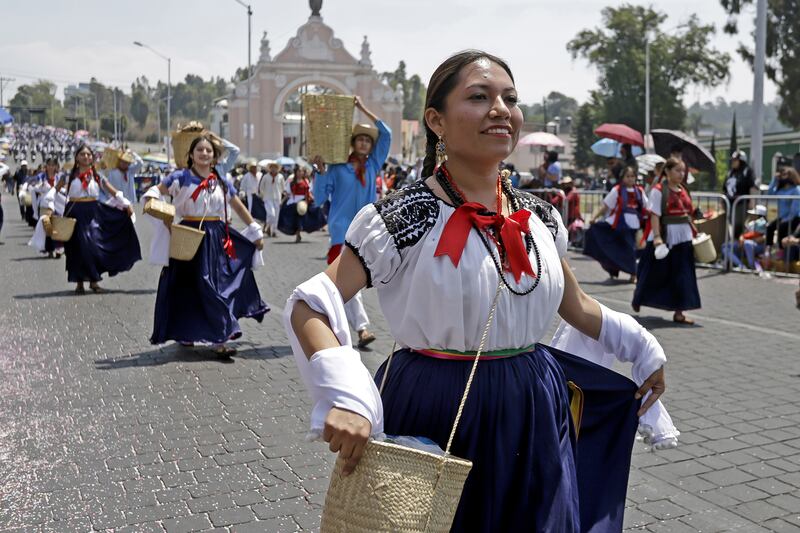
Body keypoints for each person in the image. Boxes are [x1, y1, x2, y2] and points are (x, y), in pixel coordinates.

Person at [284, 50, 668, 532]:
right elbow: (310, 305)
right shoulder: (404, 216)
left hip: (533, 408)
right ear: (436, 120)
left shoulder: (540, 216)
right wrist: (347, 394)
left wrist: (642, 348)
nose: (500, 109)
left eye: (509, 98)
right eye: (479, 97)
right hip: (434, 405)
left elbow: (577, 305)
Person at [145, 134, 268, 356]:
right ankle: (188, 331)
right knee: (187, 288)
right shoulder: (180, 177)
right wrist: (154, 204)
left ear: (214, 156)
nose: (204, 153)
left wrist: (254, 229)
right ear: (191, 155)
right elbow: (156, 192)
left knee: (215, 288)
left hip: (216, 239)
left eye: (208, 150)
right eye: (200, 150)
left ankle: (220, 338)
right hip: (187, 237)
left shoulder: (220, 181)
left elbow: (238, 207)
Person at [311, 96, 391, 349]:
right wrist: (321, 171)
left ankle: (329, 320)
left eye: (368, 140)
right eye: (360, 139)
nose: (365, 143)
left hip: (367, 230)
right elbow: (320, 198)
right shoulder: (337, 167)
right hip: (340, 231)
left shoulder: (374, 165)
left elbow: (386, 133)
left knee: (347, 282)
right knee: (347, 279)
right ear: (353, 143)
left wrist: (362, 108)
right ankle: (362, 328)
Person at [53, 145, 141, 294]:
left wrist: (125, 204)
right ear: (77, 157)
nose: (86, 157)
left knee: (93, 245)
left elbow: (112, 191)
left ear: (92, 158)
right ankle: (79, 282)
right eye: (82, 154)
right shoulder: (68, 176)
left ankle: (94, 281)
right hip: (75, 213)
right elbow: (54, 191)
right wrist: (54, 207)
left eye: (88, 154)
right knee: (77, 248)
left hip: (94, 212)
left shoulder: (97, 176)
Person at [633, 157, 701, 324]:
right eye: (677, 170)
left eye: (683, 171)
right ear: (668, 171)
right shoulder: (658, 191)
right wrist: (657, 237)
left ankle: (679, 312)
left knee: (683, 275)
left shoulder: (683, 190)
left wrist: (695, 222)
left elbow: (688, 212)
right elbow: (655, 215)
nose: (681, 174)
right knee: (650, 272)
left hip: (683, 238)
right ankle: (639, 298)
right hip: (664, 237)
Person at [585, 166, 650, 282]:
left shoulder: (639, 191)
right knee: (618, 249)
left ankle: (632, 273)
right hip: (618, 225)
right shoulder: (617, 190)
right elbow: (605, 206)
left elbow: (646, 206)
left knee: (630, 250)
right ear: (623, 178)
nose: (630, 179)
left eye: (632, 176)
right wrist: (594, 218)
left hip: (634, 225)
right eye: (628, 176)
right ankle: (623, 271)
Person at [277, 165, 326, 243]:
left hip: (304, 201)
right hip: (294, 201)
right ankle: (297, 234)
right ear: (296, 172)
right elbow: (288, 194)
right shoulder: (291, 181)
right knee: (295, 217)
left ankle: (300, 232)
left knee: (315, 209)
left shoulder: (306, 181)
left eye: (301, 171)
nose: (300, 173)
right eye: (298, 171)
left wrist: (314, 199)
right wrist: (282, 202)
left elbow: (308, 192)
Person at [721, 204, 767, 272]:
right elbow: (744, 234)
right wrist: (741, 237)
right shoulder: (751, 223)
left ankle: (752, 267)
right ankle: (741, 266)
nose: (751, 215)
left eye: (754, 214)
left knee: (747, 243)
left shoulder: (763, 222)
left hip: (757, 247)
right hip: (744, 245)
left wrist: (744, 238)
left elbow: (756, 235)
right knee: (725, 246)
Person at [723, 150, 756, 238]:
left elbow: (751, 186)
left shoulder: (747, 171)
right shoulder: (730, 172)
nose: (733, 162)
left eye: (735, 160)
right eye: (732, 160)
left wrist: (752, 201)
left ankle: (738, 242)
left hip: (741, 203)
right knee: (730, 223)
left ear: (741, 161)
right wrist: (722, 201)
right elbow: (724, 188)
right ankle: (733, 242)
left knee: (738, 224)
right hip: (730, 202)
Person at [765, 166, 800, 249]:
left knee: (782, 228)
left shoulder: (796, 190)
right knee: (770, 227)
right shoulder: (780, 190)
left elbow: (795, 209)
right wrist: (774, 180)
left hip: (794, 217)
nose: (782, 176)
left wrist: (787, 219)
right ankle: (768, 249)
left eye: (784, 175)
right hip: (782, 217)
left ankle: (781, 251)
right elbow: (769, 195)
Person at [257, 160, 284, 237]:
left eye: (275, 167)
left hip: (277, 198)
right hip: (267, 198)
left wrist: (282, 197)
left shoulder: (280, 177)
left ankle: (273, 230)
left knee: (276, 216)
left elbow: (282, 188)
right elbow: (261, 187)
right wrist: (262, 195)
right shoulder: (265, 177)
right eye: (272, 167)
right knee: (271, 214)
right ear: (270, 168)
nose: (273, 169)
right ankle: (268, 226)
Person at [239, 159, 266, 224]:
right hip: (250, 194)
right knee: (250, 209)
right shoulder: (246, 176)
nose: (254, 168)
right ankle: (251, 221)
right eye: (253, 167)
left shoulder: (260, 175)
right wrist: (242, 194)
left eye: (255, 167)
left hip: (259, 194)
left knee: (261, 208)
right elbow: (242, 187)